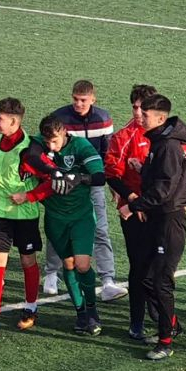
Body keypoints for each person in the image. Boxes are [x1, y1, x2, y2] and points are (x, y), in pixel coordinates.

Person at [118, 94, 186, 361]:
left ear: (160, 118)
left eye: (146, 114)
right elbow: (162, 179)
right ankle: (170, 326)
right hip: (159, 218)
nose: (141, 117)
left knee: (160, 281)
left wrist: (134, 206)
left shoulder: (168, 146)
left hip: (169, 221)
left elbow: (165, 189)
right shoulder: (161, 142)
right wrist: (143, 169)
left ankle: (165, 342)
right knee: (148, 278)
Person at [43, 80, 125, 302]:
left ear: (93, 99)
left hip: (91, 183)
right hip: (65, 184)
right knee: (58, 229)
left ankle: (107, 280)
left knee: (100, 228)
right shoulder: (60, 118)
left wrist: (112, 184)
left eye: (83, 100)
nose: (78, 104)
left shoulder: (104, 118)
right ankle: (51, 273)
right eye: (75, 99)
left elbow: (107, 154)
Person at [26, 115, 108, 335]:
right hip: (55, 218)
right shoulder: (40, 143)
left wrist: (79, 178)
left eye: (55, 141)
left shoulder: (81, 146)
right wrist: (53, 171)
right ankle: (80, 313)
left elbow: (100, 177)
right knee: (68, 263)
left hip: (81, 216)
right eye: (48, 142)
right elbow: (31, 155)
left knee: (82, 264)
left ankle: (92, 311)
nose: (51, 146)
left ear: (64, 132)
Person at [0, 98, 43, 338]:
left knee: (27, 261)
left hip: (24, 216)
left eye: (0, 118)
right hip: (0, 213)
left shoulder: (30, 150)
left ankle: (31, 307)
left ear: (14, 122)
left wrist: (29, 195)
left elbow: (49, 179)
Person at [105, 84, 156, 340]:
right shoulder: (123, 136)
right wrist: (134, 200)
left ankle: (158, 311)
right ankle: (137, 321)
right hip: (132, 211)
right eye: (135, 107)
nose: (137, 113)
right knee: (138, 265)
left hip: (160, 210)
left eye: (143, 108)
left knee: (159, 265)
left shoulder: (168, 137)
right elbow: (111, 174)